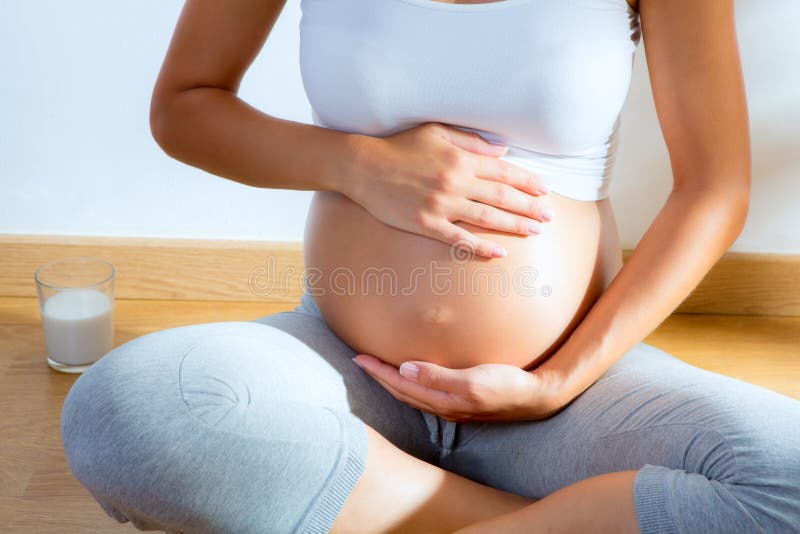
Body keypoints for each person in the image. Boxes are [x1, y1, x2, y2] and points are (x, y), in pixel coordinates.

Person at [61, 0, 800, 532]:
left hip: (567, 396)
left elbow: (714, 186)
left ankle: (351, 501)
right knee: (125, 412)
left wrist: (553, 383)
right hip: (350, 369)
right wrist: (360, 165)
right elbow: (185, 108)